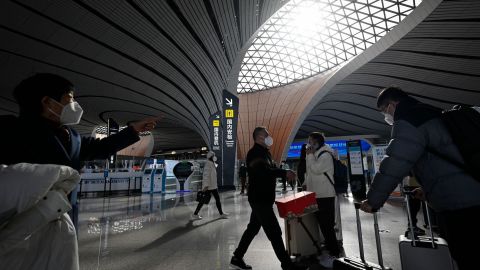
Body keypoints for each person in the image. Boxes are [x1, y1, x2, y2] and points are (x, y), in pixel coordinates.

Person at [0, 73, 158, 227]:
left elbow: (100, 147)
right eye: (70, 98)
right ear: (48, 102)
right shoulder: (10, 130)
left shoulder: (72, 135)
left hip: (65, 215)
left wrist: (133, 130)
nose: (74, 104)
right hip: (22, 221)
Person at [359, 86, 480, 270]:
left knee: (467, 256)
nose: (386, 116)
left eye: (384, 111)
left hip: (457, 205)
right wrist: (428, 190)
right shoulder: (431, 112)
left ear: (392, 105)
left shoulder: (408, 121)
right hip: (472, 191)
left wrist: (374, 201)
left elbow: (394, 164)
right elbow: (442, 160)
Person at [230, 127, 305, 270]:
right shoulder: (254, 153)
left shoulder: (264, 153)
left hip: (262, 198)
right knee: (274, 231)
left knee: (252, 228)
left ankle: (237, 257)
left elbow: (268, 171)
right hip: (260, 199)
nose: (269, 137)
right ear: (259, 137)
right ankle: (287, 265)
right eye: (267, 135)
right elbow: (263, 172)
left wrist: (283, 173)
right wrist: (284, 172)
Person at [303, 132, 340, 268]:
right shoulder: (317, 154)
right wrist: (306, 182)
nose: (309, 144)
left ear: (317, 142)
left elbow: (317, 169)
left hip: (325, 194)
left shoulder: (325, 155)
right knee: (323, 225)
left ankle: (334, 254)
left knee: (327, 225)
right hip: (317, 194)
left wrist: (310, 155)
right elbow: (311, 171)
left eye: (310, 141)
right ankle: (330, 250)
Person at [191, 151, 228, 220]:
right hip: (209, 186)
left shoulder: (212, 163)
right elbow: (206, 176)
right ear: (210, 157)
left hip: (213, 186)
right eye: (213, 155)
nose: (215, 156)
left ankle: (221, 213)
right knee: (202, 200)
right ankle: (195, 214)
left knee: (217, 199)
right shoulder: (208, 164)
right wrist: (206, 185)